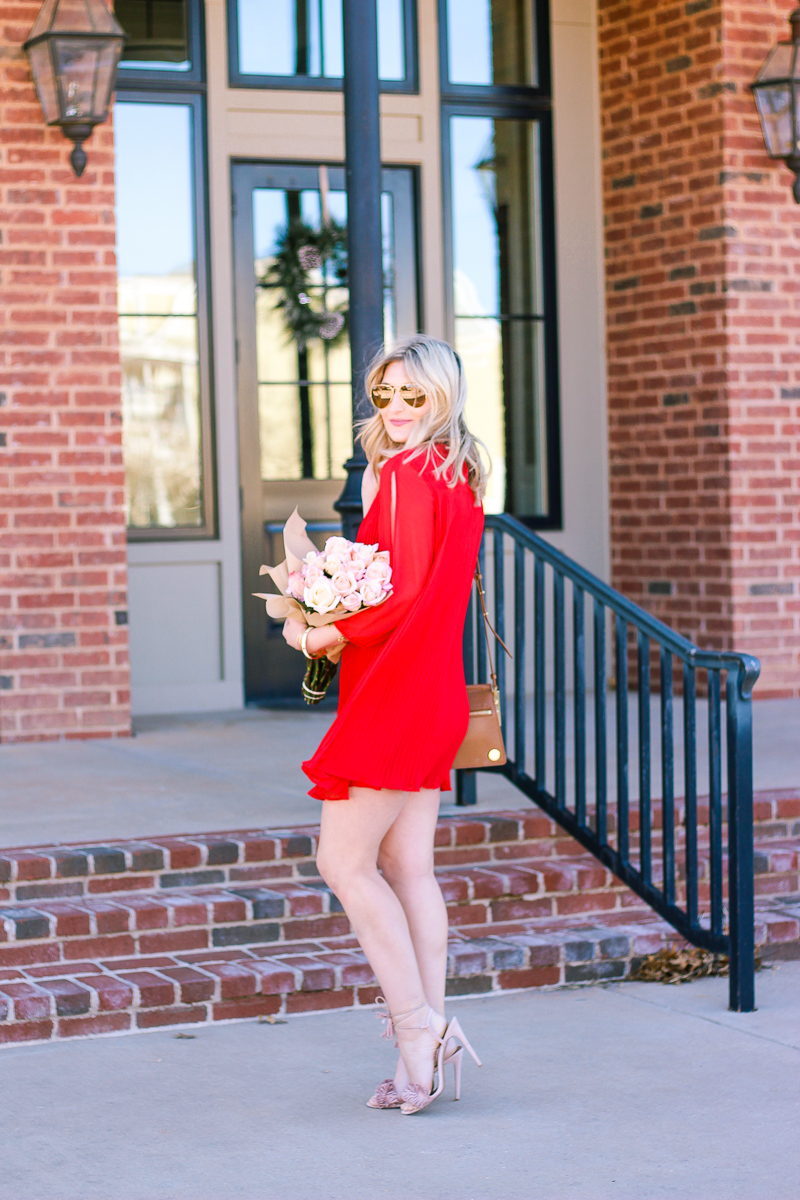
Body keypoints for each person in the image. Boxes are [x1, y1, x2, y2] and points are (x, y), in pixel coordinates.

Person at [281, 334, 487, 1114]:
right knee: (410, 869)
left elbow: (394, 600)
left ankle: (415, 1031)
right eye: (385, 396)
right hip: (435, 690)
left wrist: (316, 633)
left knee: (344, 864)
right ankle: (427, 1051)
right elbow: (422, 590)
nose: (397, 410)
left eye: (413, 395)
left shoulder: (401, 473)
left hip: (395, 690)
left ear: (443, 396)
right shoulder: (459, 474)